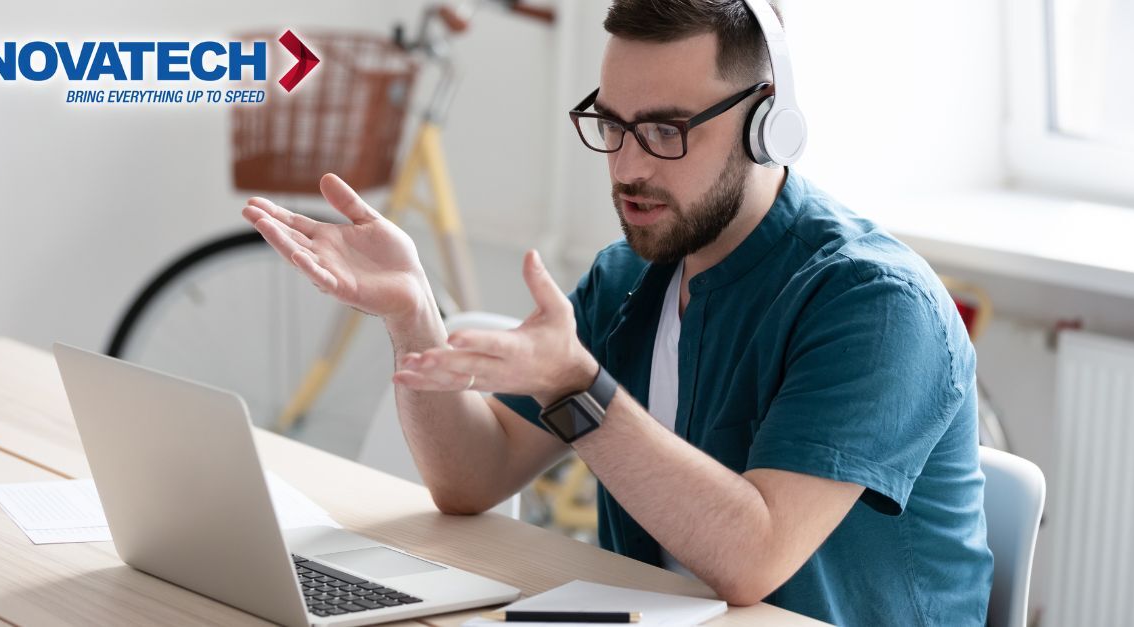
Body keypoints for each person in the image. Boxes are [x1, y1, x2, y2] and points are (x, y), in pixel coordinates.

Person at [241, 0, 993, 623]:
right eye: (612, 124)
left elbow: (752, 558)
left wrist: (579, 389)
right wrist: (411, 314)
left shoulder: (876, 304)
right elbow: (472, 477)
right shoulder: (633, 273)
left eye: (666, 131)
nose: (628, 166)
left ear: (768, 124)